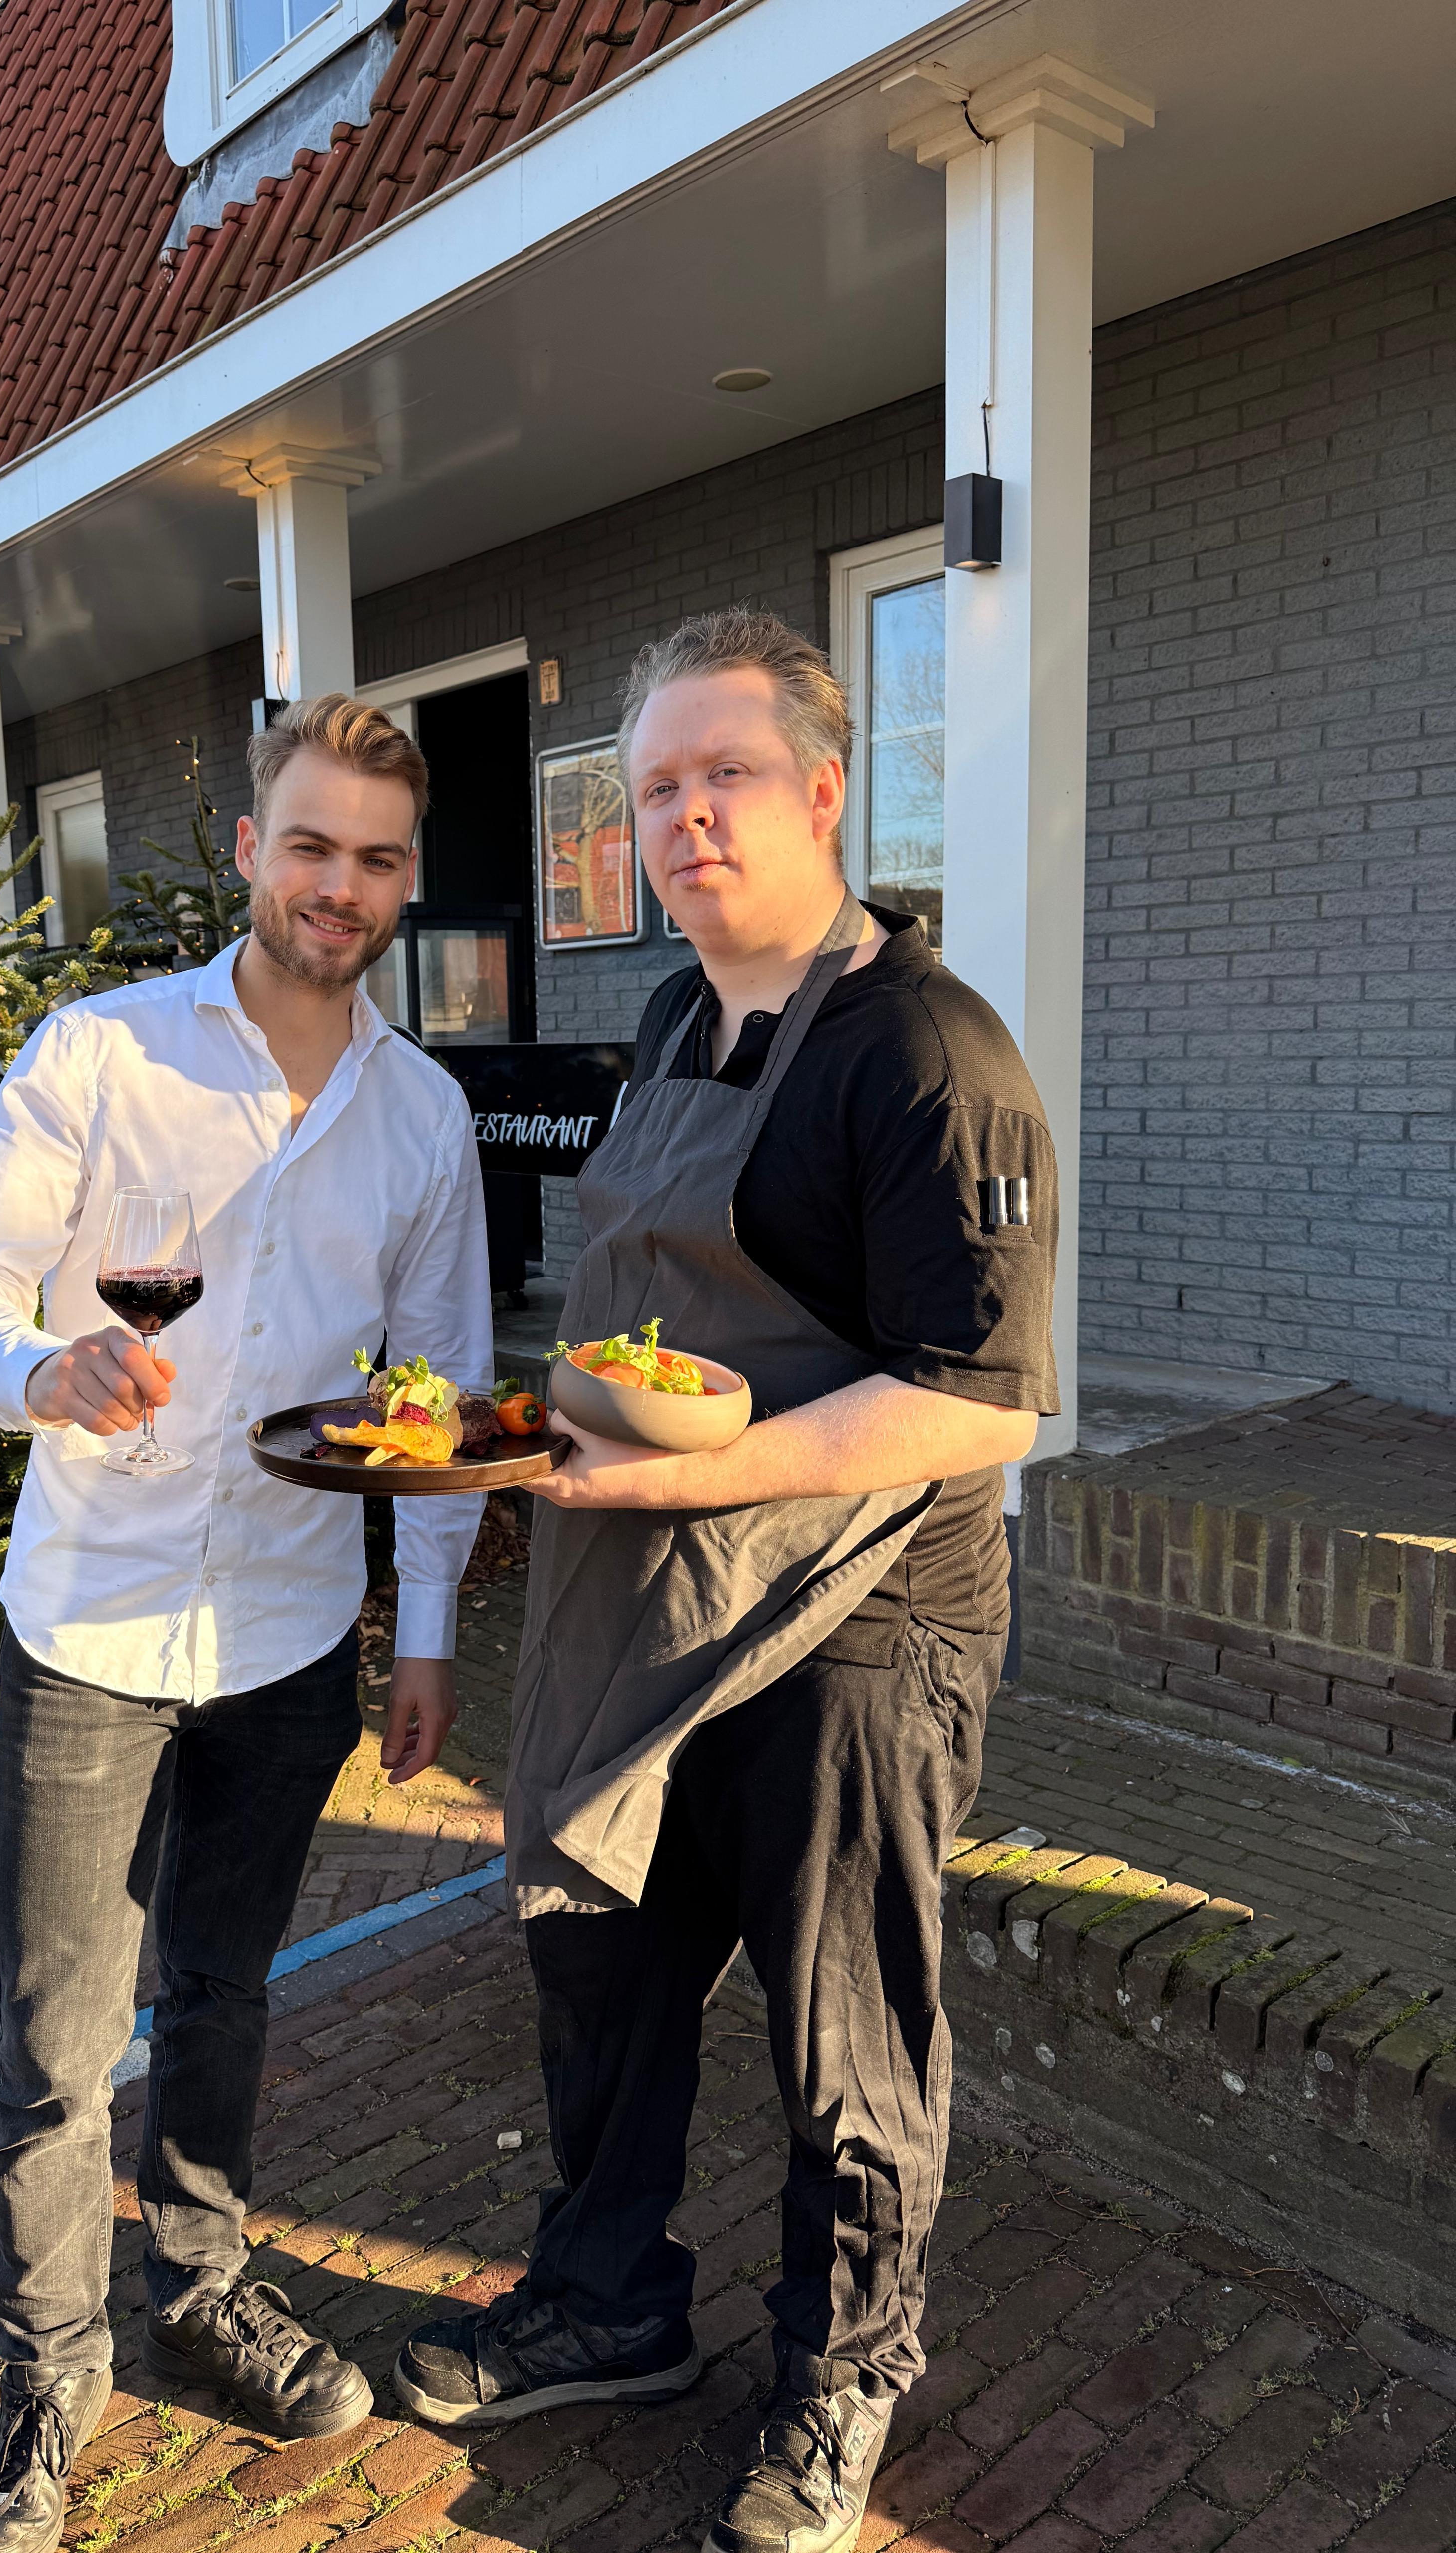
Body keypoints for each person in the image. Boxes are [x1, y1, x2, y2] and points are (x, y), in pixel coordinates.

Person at [393, 609, 1058, 2553]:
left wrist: (686, 1474)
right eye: (657, 784)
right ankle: (606, 2295)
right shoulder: (683, 1015)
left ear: (825, 789)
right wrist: (527, 1431)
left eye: (727, 773)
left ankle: (842, 2369)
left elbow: (982, 1405)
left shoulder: (933, 1055)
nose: (686, 816)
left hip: (864, 1615)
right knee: (601, 1940)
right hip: (667, 1587)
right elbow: (653, 1319)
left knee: (843, 2029)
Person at [0, 696, 491, 2553]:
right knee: (57, 2035)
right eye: (310, 845)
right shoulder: (100, 1055)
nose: (341, 885)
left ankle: (202, 2287)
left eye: (379, 858)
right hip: (94, 1619)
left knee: (225, 1994)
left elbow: (445, 1396)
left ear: (407, 882)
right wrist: (41, 1367)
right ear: (252, 850)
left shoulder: (422, 1117)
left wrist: (425, 1635)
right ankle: (48, 2375)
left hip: (298, 1635)